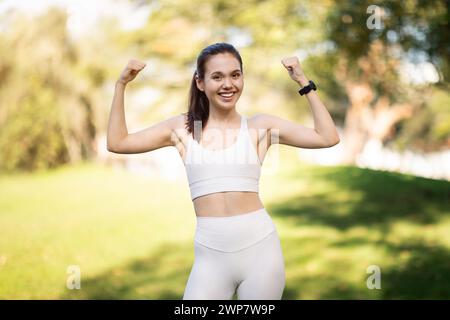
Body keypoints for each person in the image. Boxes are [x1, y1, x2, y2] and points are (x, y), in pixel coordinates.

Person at [107, 42, 340, 300]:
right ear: (200, 83)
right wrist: (121, 85)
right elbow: (118, 143)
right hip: (210, 260)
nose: (228, 84)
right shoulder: (183, 129)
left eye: (235, 75)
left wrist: (303, 81)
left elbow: (327, 137)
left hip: (261, 255)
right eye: (217, 77)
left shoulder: (258, 127)